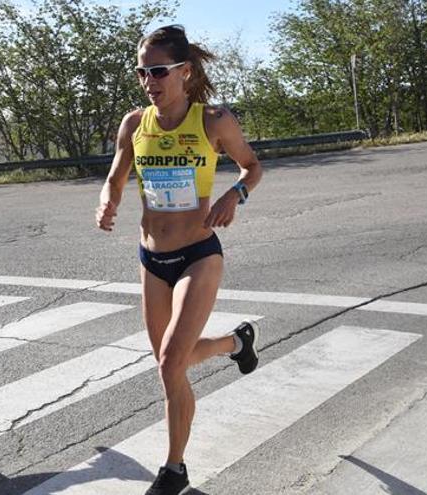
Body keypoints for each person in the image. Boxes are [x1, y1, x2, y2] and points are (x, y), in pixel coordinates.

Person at [95, 25, 263, 495]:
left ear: (184, 72)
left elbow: (253, 165)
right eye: (142, 72)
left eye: (159, 70)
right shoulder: (134, 124)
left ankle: (174, 469)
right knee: (174, 362)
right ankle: (235, 343)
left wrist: (236, 193)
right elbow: (115, 177)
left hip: (198, 255)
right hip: (151, 259)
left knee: (171, 363)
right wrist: (106, 200)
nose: (149, 80)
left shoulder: (213, 120)